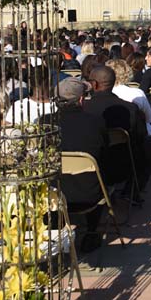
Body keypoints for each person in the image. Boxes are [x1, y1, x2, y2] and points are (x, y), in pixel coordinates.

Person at [56, 77, 107, 253]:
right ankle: (92, 232)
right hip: (89, 192)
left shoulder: (45, 122)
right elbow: (105, 150)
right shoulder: (95, 121)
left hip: (54, 193)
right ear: (80, 99)